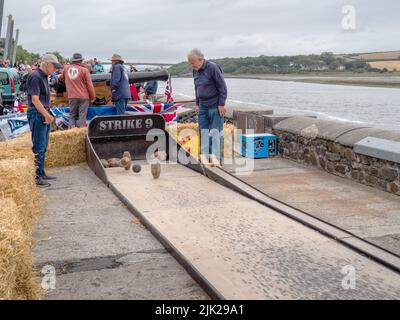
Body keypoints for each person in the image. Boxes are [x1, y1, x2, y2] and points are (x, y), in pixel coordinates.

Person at [26, 54, 63, 187]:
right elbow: (35, 100)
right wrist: (46, 114)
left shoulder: (42, 76)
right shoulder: (36, 76)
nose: (55, 69)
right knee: (39, 145)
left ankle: (41, 173)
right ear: (46, 64)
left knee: (43, 144)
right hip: (37, 112)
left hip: (41, 111)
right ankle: (37, 176)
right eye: (54, 66)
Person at [187, 48, 227, 165]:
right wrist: (197, 104)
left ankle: (216, 159)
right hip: (203, 106)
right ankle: (204, 158)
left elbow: (222, 87)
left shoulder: (213, 68)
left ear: (200, 59)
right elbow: (197, 88)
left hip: (215, 105)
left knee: (215, 133)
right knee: (203, 132)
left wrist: (221, 104)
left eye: (193, 63)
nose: (192, 66)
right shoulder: (195, 70)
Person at [59, 53, 96, 128]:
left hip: (72, 96)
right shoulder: (85, 70)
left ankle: (71, 132)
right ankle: (81, 133)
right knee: (82, 115)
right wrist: (93, 97)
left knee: (72, 115)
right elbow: (90, 85)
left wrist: (68, 81)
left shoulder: (66, 68)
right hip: (83, 96)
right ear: (81, 60)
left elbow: (60, 78)